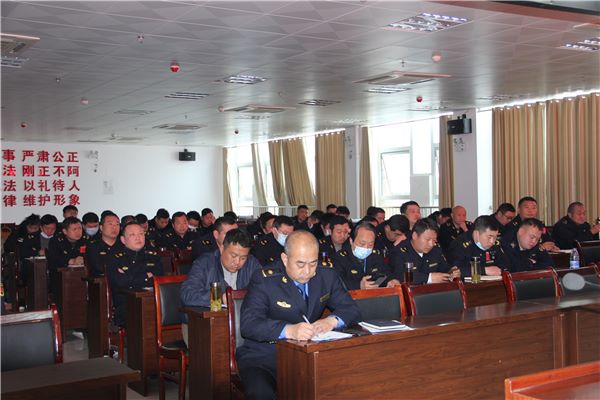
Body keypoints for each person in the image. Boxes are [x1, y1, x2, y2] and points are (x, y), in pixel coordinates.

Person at [236, 230, 361, 399]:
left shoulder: (326, 275)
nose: (308, 271)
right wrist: (289, 330)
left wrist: (331, 321)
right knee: (261, 393)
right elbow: (249, 324)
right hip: (266, 357)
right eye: (300, 264)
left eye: (313, 263)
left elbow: (352, 309)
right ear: (285, 259)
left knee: (346, 383)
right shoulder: (265, 279)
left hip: (309, 356)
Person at [180, 229, 262, 344]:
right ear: (222, 248)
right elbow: (187, 294)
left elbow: (263, 291)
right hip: (202, 326)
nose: (237, 262)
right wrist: (219, 297)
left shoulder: (252, 264)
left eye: (243, 258)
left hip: (242, 324)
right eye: (233, 255)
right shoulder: (204, 263)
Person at [106, 222, 164, 327]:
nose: (138, 237)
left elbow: (160, 278)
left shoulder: (153, 256)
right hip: (127, 304)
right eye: (132, 235)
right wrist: (146, 276)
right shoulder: (116, 258)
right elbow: (121, 282)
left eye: (141, 234)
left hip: (153, 300)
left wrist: (131, 277)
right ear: (123, 240)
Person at [389, 218, 460, 285]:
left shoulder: (435, 250)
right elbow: (400, 276)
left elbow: (445, 268)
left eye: (434, 240)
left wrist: (452, 272)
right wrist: (429, 278)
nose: (431, 244)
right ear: (415, 235)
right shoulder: (399, 252)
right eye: (427, 239)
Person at [331, 222, 390, 290]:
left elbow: (385, 272)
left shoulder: (376, 255)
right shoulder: (339, 258)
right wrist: (359, 285)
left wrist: (391, 280)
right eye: (362, 244)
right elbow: (337, 282)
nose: (366, 248)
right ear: (351, 241)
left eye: (370, 244)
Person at [47, 217, 87, 296]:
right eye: (74, 229)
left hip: (82, 275)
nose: (78, 232)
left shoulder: (86, 240)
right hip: (60, 278)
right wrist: (70, 261)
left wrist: (85, 259)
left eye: (80, 228)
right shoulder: (55, 241)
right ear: (65, 231)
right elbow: (53, 259)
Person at [86, 212, 122, 277]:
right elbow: (99, 268)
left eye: (117, 224)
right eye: (110, 224)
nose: (114, 227)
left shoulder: (124, 245)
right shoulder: (93, 246)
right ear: (101, 227)